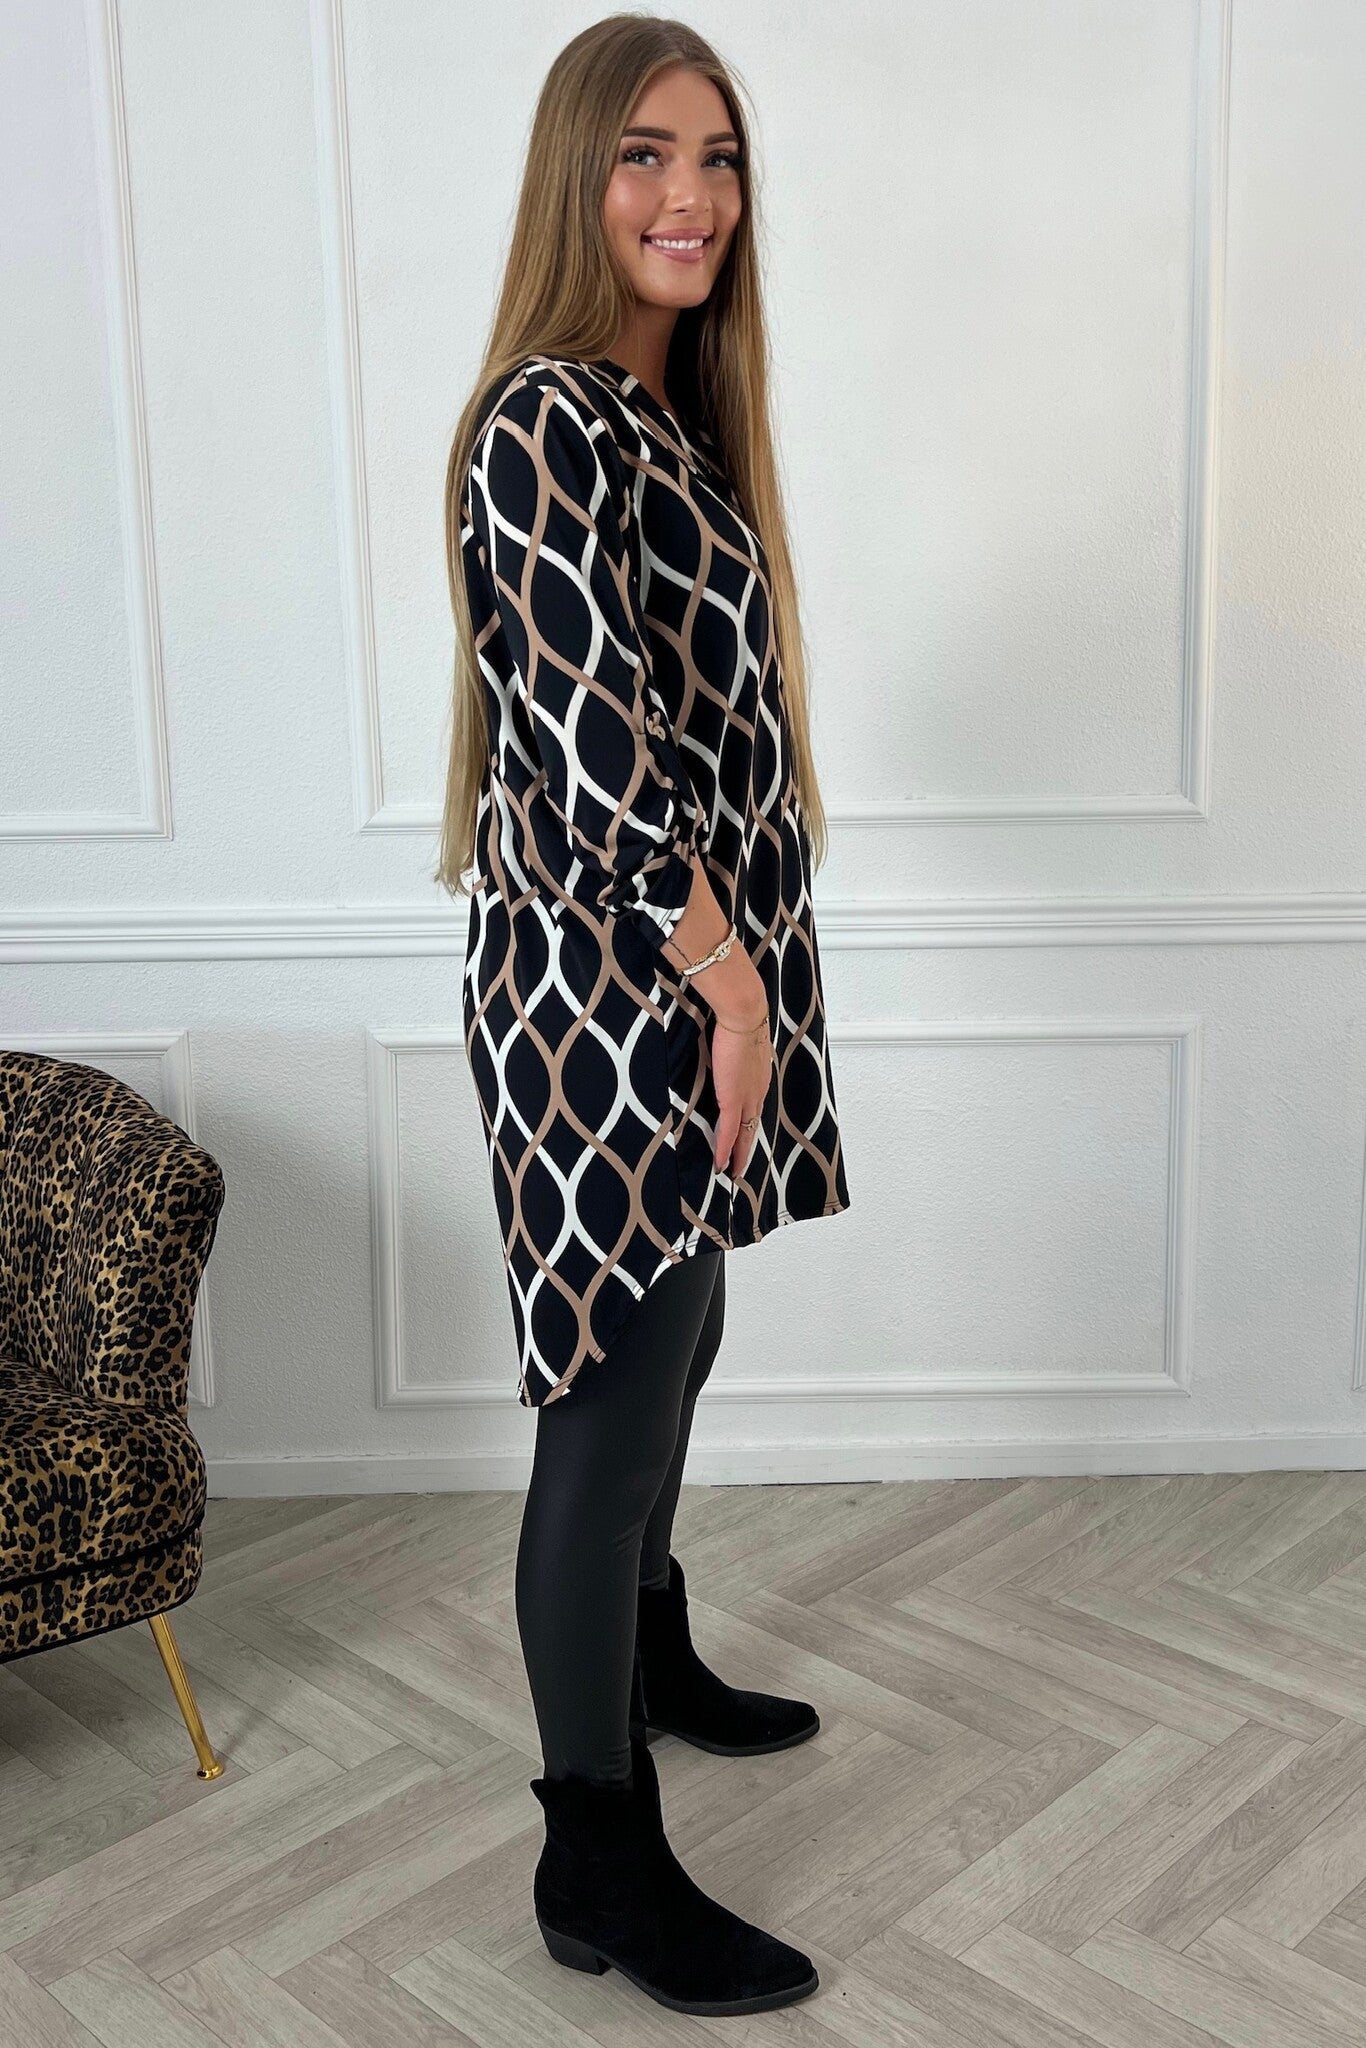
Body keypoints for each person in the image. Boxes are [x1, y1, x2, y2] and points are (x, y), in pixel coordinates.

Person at [436, 14, 850, 2020]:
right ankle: (590, 1850)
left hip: (679, 968)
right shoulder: (545, 417)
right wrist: (723, 984)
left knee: (676, 1342)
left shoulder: (660, 414)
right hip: (617, 983)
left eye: (717, 156)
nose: (690, 195)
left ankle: (648, 1652)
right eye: (642, 155)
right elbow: (594, 758)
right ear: (574, 180)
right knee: (607, 1395)